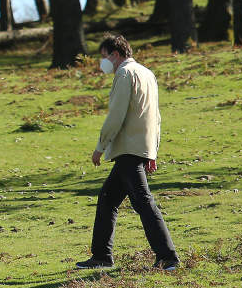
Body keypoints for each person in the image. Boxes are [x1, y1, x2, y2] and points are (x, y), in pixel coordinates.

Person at [76, 35, 181, 272]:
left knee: (143, 202)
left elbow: (116, 114)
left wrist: (100, 146)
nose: (103, 62)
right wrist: (152, 150)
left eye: (104, 57)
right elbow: (156, 116)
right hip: (140, 147)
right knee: (107, 199)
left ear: (115, 54)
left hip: (128, 148)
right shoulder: (146, 73)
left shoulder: (124, 74)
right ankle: (101, 255)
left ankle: (168, 257)